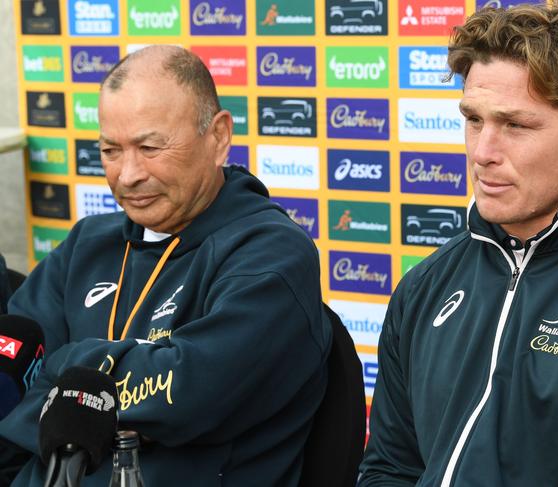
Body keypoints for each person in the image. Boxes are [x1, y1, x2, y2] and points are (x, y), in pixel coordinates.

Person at [0, 45, 332, 485]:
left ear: (218, 138)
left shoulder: (272, 254)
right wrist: (82, 395)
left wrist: (67, 370)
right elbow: (9, 381)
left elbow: (192, 394)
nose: (128, 174)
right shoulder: (87, 243)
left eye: (150, 146)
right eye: (109, 150)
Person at [359, 1, 558, 485]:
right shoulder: (425, 285)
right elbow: (391, 468)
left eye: (515, 125)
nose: (483, 153)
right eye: (474, 120)